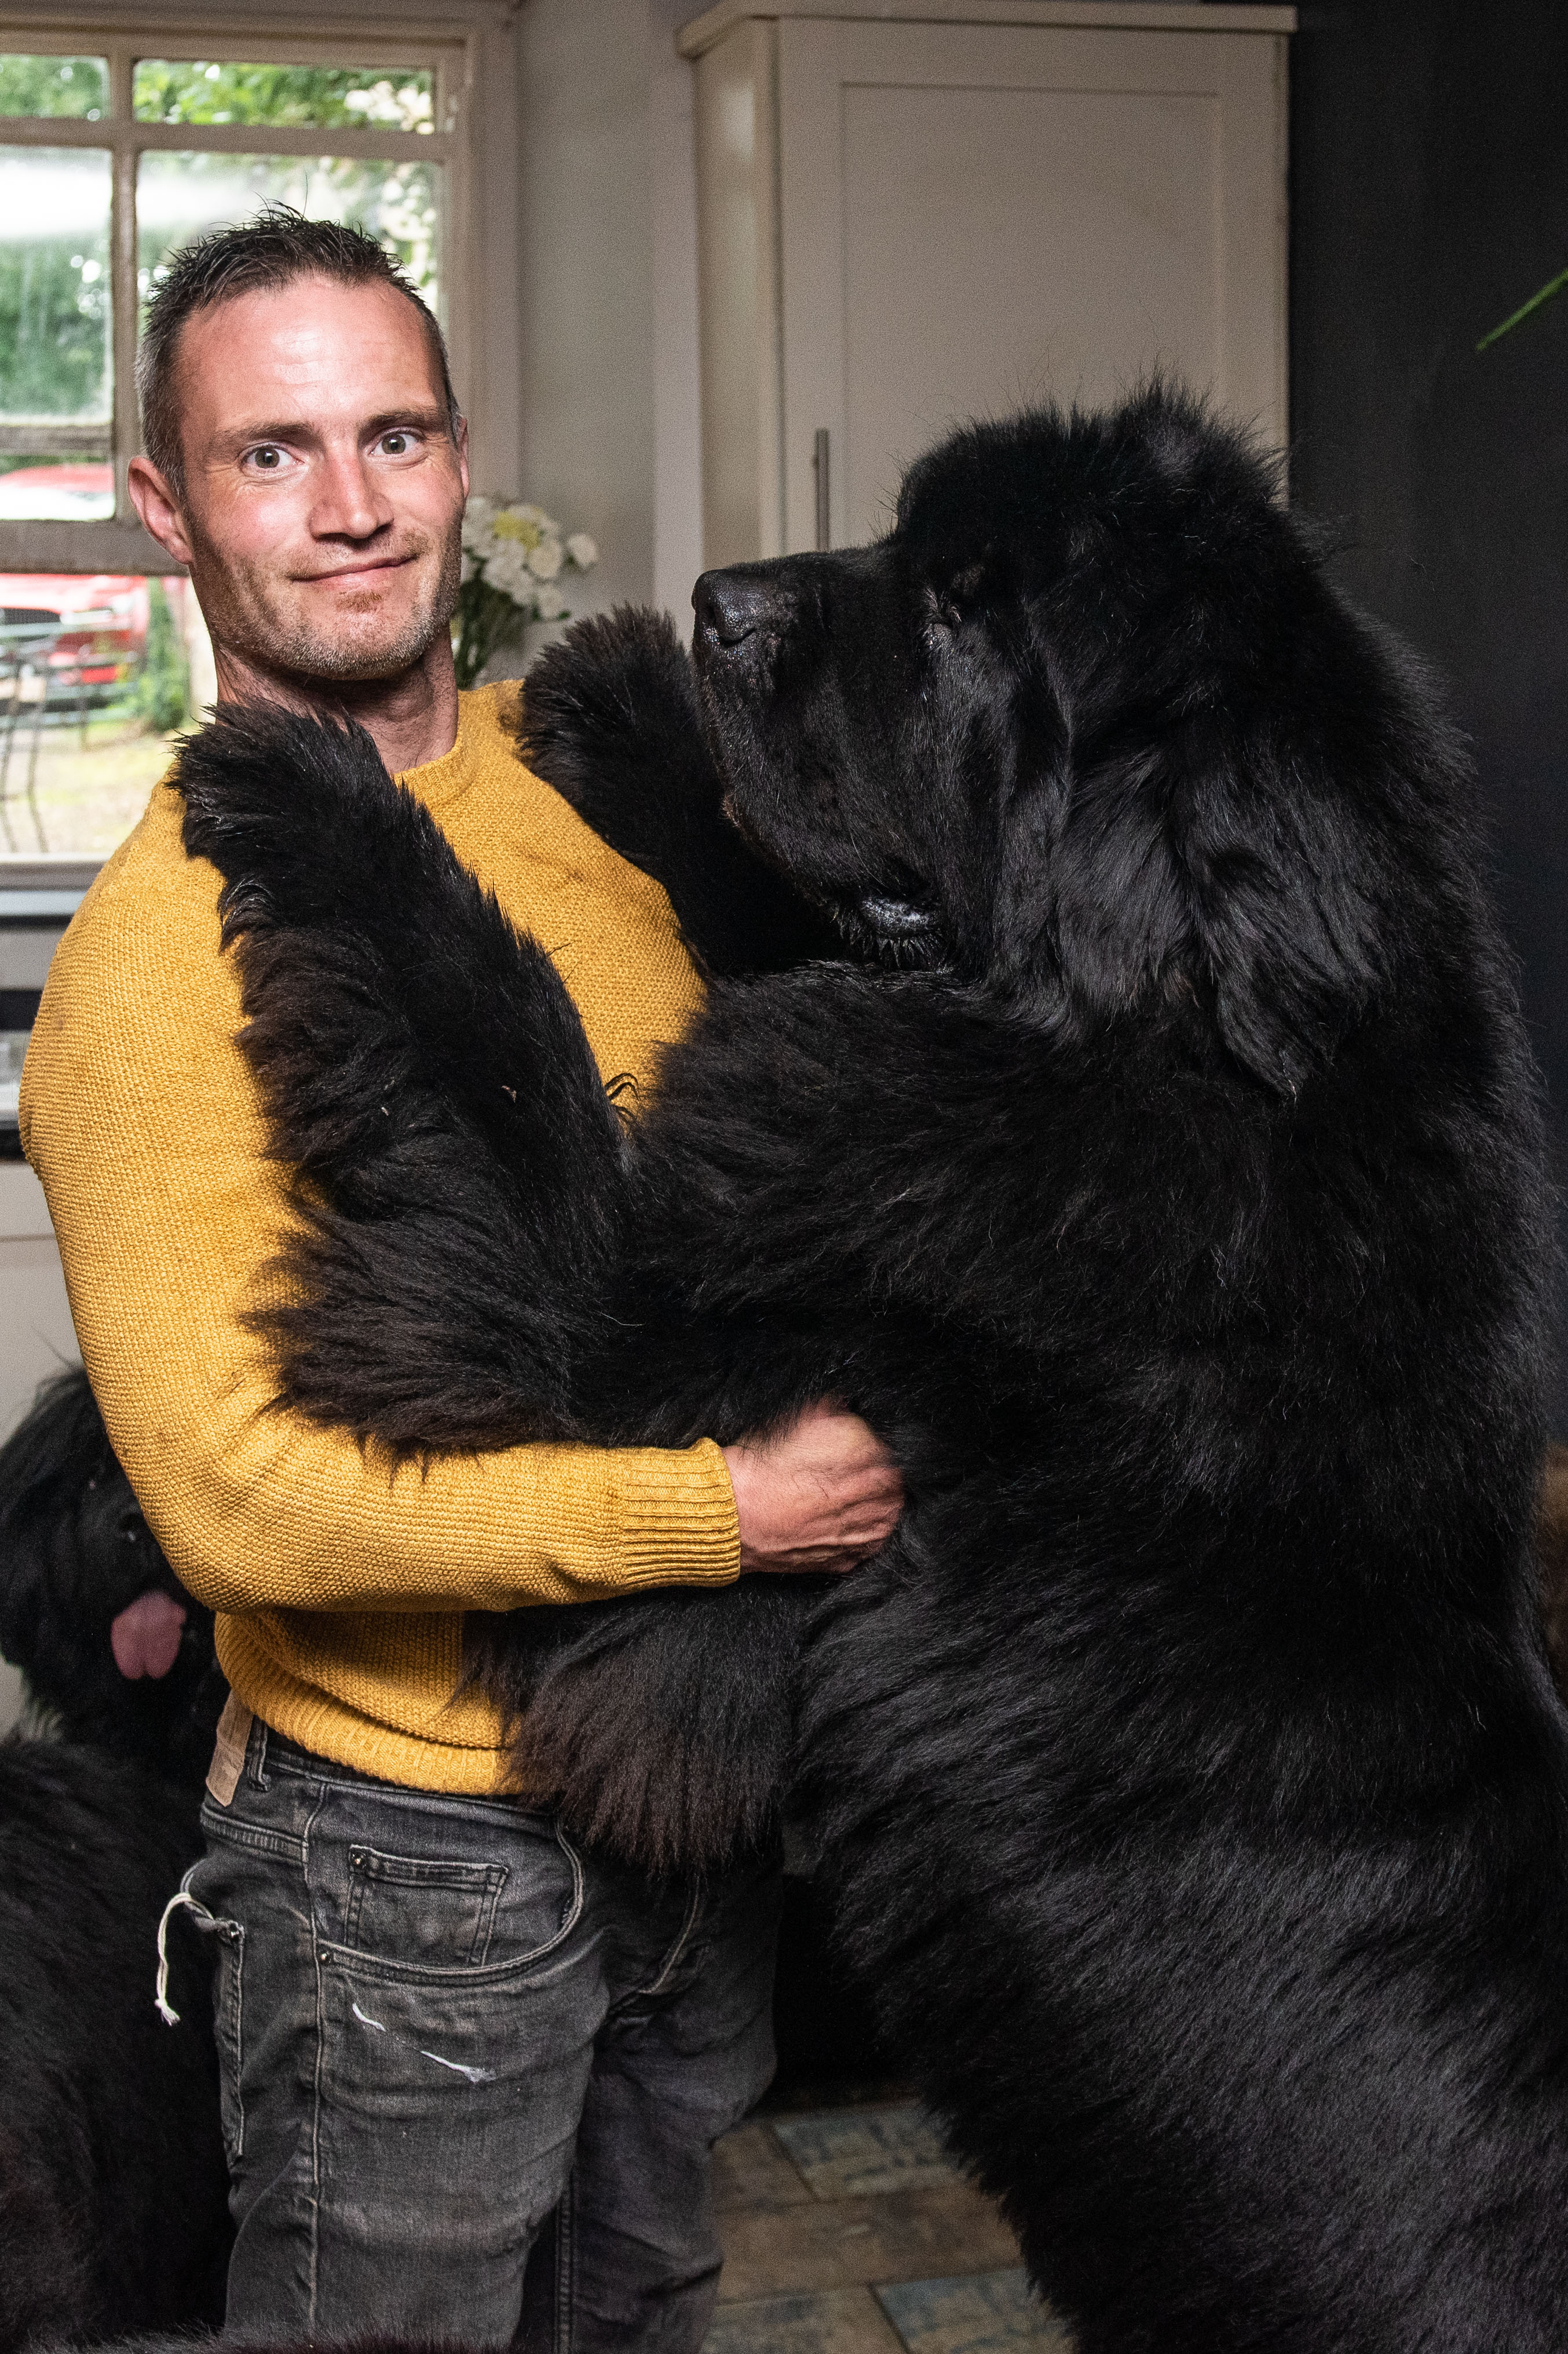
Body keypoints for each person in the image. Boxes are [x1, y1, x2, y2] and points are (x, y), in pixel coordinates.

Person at [20, 207, 903, 2351]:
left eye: (393, 434)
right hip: (413, 1859)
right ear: (166, 503)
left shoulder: (594, 795)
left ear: (455, 450)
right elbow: (238, 1505)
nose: (350, 507)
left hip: (684, 1785)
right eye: (270, 454)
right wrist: (723, 1513)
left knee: (644, 2291)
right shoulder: (151, 978)